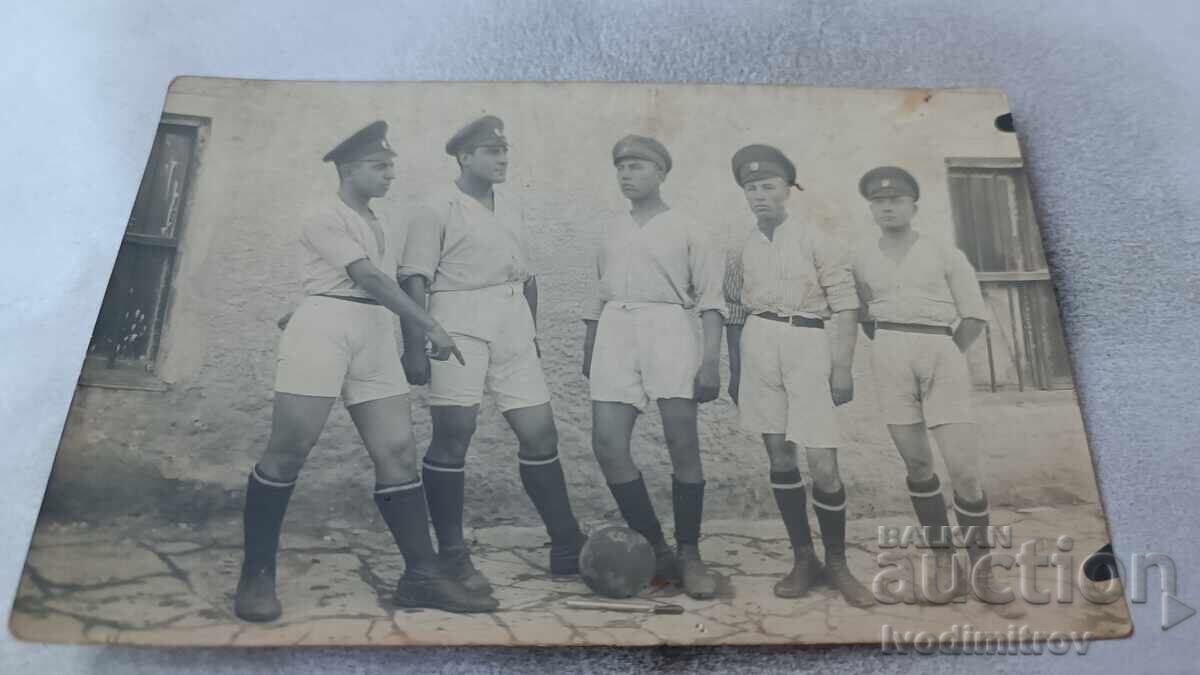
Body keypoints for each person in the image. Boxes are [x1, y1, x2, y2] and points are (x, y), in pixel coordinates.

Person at [235, 121, 497, 622]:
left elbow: (374, 288)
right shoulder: (321, 216)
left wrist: (405, 339)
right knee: (290, 449)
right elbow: (368, 278)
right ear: (348, 169)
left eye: (391, 166)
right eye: (380, 166)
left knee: (397, 452)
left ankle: (421, 576)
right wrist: (429, 326)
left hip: (373, 332)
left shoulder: (379, 222)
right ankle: (256, 574)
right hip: (325, 332)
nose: (390, 175)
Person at [398, 115, 586, 596]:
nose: (502, 159)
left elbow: (527, 276)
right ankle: (452, 553)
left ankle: (566, 543)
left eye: (504, 151)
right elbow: (413, 279)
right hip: (457, 322)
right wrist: (414, 346)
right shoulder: (435, 208)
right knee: (454, 434)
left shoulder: (511, 205)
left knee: (540, 432)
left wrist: (532, 332)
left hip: (512, 323)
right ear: (464, 157)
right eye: (491, 151)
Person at [851, 166, 1022, 617]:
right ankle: (946, 563)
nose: (887, 207)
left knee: (963, 470)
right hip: (890, 353)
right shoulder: (862, 258)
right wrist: (893, 347)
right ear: (871, 208)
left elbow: (974, 315)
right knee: (918, 465)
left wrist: (945, 354)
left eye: (896, 200)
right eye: (879, 202)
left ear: (913, 205)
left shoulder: (944, 252)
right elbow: (864, 314)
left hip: (941, 352)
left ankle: (983, 570)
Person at [723, 144, 875, 607]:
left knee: (822, 461)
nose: (759, 195)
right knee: (779, 454)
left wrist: (842, 367)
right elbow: (734, 310)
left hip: (808, 342)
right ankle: (803, 557)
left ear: (788, 189)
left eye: (768, 186)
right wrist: (736, 370)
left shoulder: (815, 238)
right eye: (751, 188)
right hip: (759, 343)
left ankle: (837, 562)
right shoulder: (741, 247)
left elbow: (845, 304)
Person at [581, 135, 724, 599]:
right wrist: (591, 346)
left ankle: (690, 552)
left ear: (661, 173)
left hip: (668, 327)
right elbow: (599, 292)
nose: (627, 174)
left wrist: (710, 361)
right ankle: (656, 548)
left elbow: (711, 302)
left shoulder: (688, 228)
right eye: (621, 166)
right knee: (607, 444)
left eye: (638, 166)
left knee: (682, 442)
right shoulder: (612, 229)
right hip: (615, 329)